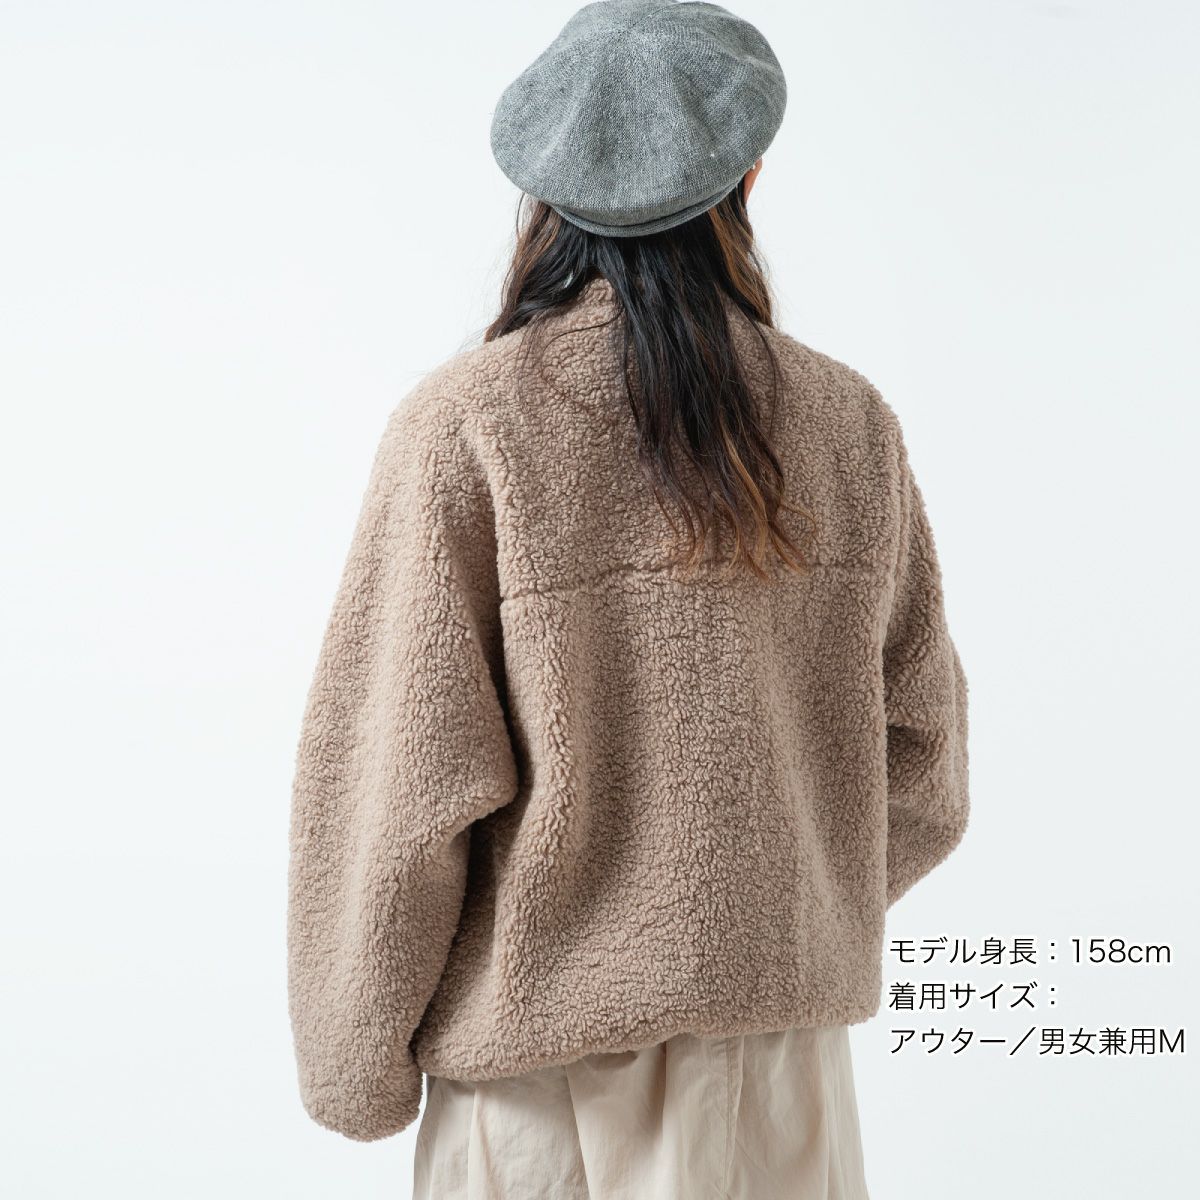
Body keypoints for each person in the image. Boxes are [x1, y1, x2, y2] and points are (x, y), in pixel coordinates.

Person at [285, 1, 971, 1197]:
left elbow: (396, 786)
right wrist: (770, 919)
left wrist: (356, 1065)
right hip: (784, 1085)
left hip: (538, 1094)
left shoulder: (468, 427)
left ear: (543, 196)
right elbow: (922, 765)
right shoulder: (847, 423)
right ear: (747, 178)